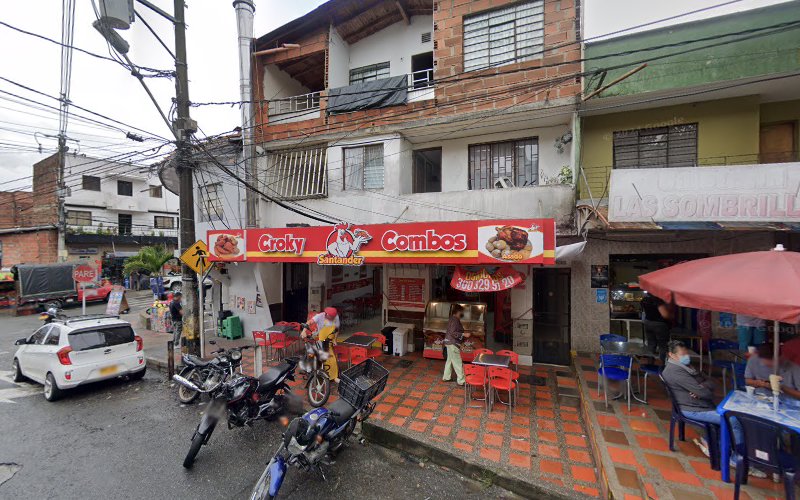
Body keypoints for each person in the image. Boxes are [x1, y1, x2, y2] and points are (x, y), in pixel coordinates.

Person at [661, 340, 762, 474]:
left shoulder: (688, 366)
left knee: (732, 415)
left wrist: (702, 385)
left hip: (703, 404)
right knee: (733, 420)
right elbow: (706, 393)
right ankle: (736, 459)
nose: (686, 356)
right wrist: (702, 387)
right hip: (693, 409)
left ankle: (711, 441)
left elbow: (711, 382)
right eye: (682, 354)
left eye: (686, 353)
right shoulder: (675, 371)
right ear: (671, 355)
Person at [302, 307, 340, 382]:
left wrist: (335, 340)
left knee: (331, 358)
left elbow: (337, 329)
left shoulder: (336, 317)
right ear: (326, 315)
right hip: (320, 339)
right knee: (313, 355)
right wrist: (304, 331)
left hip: (329, 341)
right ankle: (311, 372)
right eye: (331, 317)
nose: (332, 319)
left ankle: (334, 377)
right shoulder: (319, 316)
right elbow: (309, 322)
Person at [442, 304, 470, 386]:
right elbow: (453, 332)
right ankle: (461, 381)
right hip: (452, 343)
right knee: (458, 362)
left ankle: (446, 377)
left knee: (450, 360)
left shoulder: (452, 319)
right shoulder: (455, 320)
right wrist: (464, 334)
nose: (462, 313)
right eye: (462, 312)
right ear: (458, 312)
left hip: (448, 342)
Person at [641, 293, 672, 364]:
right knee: (662, 346)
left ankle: (650, 364)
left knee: (651, 345)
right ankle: (662, 366)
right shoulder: (658, 299)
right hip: (659, 324)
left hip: (648, 323)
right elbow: (665, 314)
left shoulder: (645, 299)